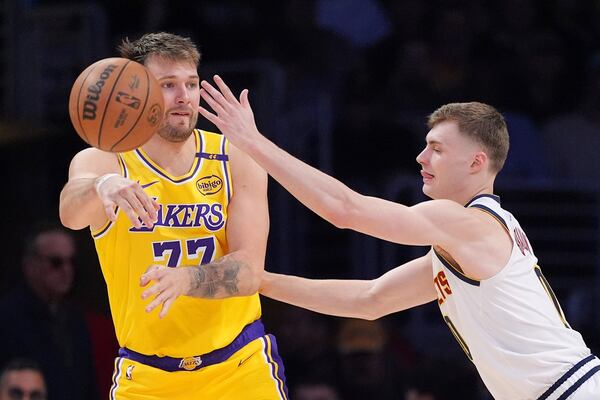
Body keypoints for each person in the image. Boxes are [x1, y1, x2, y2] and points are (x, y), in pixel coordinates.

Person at [194, 77, 599, 400]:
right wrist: (259, 281)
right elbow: (370, 300)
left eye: (436, 149)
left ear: (476, 162)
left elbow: (345, 210)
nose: (421, 159)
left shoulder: (466, 222)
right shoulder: (464, 240)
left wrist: (254, 143)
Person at [59, 32, 287, 399]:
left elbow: (248, 272)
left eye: (191, 84)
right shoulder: (105, 160)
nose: (184, 97)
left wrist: (186, 280)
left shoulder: (236, 157)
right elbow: (70, 212)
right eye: (168, 86)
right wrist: (101, 186)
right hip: (149, 377)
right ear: (136, 94)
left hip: (240, 367)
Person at [0, 225, 98, 400]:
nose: (66, 270)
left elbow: (87, 380)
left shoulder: (75, 317)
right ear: (30, 264)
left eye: (71, 262)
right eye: (56, 262)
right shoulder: (8, 317)